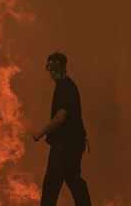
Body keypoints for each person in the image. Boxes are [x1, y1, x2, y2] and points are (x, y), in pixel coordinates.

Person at [33, 52, 92, 206]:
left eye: (56, 68)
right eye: (50, 68)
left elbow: (60, 117)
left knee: (52, 182)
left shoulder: (65, 87)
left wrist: (41, 132)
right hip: (73, 143)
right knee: (73, 179)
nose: (52, 72)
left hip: (66, 144)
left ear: (64, 68)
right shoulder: (64, 86)